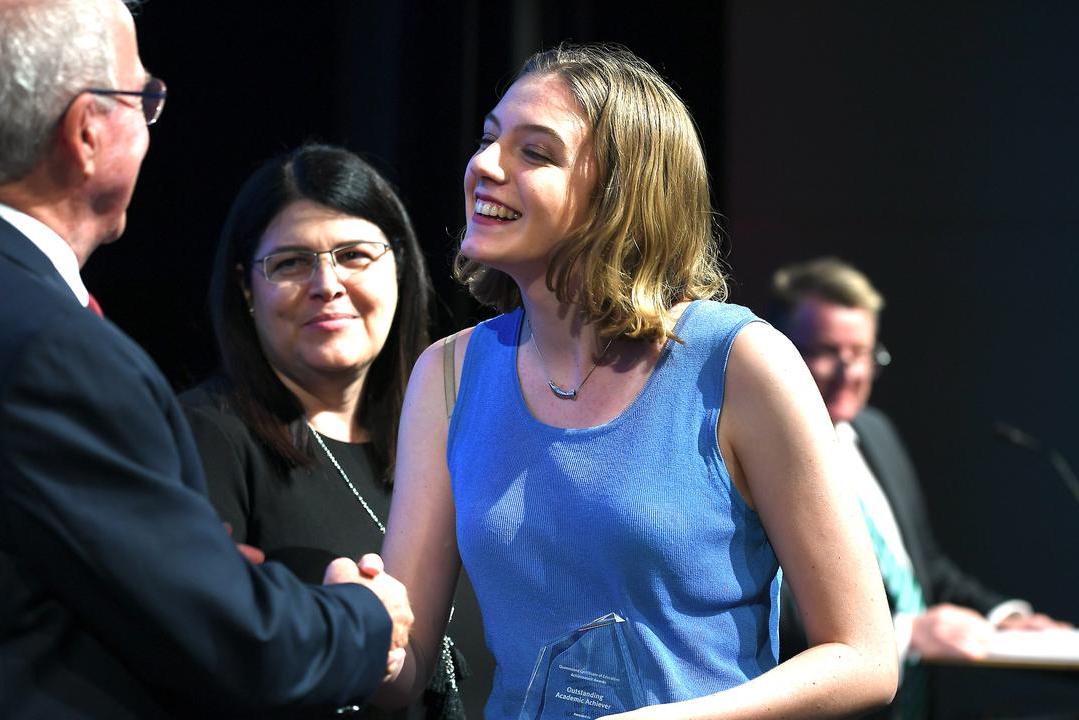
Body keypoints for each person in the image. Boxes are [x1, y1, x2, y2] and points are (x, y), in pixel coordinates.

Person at [0, 1, 411, 716]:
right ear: (86, 132)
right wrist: (366, 615)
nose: (150, 123)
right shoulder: (50, 353)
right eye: (144, 98)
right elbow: (238, 645)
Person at [375, 44, 898, 718]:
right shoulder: (446, 374)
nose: (485, 166)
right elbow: (406, 668)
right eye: (488, 138)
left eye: (535, 152)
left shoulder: (740, 363)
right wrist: (365, 632)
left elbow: (866, 657)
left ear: (620, 197)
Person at [180, 143, 493, 719]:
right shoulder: (206, 437)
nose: (326, 284)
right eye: (291, 262)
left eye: (353, 254)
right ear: (247, 290)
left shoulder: (460, 427)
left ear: (399, 266)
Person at [768, 257, 1068, 717]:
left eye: (862, 352)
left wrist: (1006, 617)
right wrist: (905, 632)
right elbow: (767, 602)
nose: (850, 373)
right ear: (783, 351)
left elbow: (922, 570)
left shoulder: (876, 433)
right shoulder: (759, 454)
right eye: (829, 351)